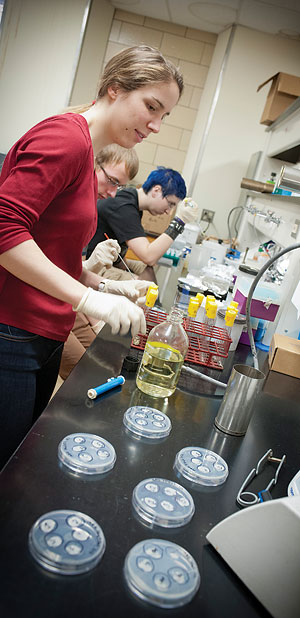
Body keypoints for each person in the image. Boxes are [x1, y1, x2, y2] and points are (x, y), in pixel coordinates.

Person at [0, 44, 184, 469]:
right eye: (151, 107)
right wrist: (87, 301)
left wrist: (106, 285)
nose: (156, 125)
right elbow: (6, 229)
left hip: (41, 334)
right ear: (115, 89)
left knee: (21, 462)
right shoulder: (65, 137)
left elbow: (52, 251)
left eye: (165, 116)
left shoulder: (85, 153)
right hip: (12, 334)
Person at [59, 143, 140, 381]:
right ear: (93, 163)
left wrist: (106, 285)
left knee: (107, 359)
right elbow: (52, 271)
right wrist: (96, 294)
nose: (114, 193)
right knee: (86, 375)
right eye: (112, 181)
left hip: (68, 302)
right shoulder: (68, 200)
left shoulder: (90, 208)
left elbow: (71, 268)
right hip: (50, 304)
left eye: (121, 186)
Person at [85, 166, 199, 283]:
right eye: (170, 204)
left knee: (147, 269)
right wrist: (179, 222)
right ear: (156, 191)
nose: (168, 211)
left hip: (112, 261)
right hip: (94, 266)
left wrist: (127, 270)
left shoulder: (132, 200)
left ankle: (153, 301)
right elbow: (149, 256)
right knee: (143, 286)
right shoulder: (124, 206)